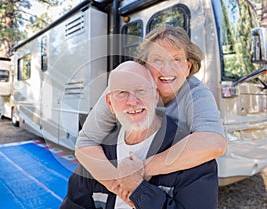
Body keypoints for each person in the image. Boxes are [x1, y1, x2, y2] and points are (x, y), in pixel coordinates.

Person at [74, 25, 226, 194]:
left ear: (188, 67)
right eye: (157, 60)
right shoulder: (122, 87)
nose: (167, 70)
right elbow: (86, 142)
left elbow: (214, 142)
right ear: (143, 64)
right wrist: (119, 186)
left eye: (176, 59)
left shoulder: (196, 93)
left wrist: (141, 169)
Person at [58, 61, 218, 209]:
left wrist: (139, 190)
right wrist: (119, 184)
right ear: (109, 103)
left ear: (156, 97)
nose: (132, 101)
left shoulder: (193, 159)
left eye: (141, 91)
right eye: (122, 93)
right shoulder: (96, 157)